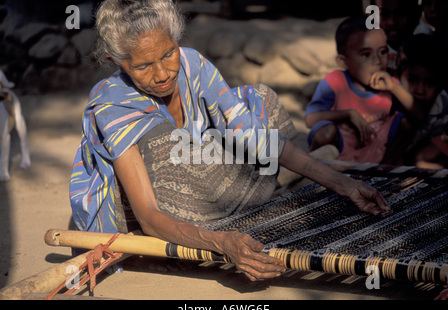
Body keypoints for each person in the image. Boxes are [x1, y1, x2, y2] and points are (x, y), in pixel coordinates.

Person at [69, 0, 391, 282]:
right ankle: (275, 180)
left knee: (261, 101)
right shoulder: (114, 105)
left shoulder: (192, 63)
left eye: (168, 54)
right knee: (177, 151)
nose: (163, 73)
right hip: (155, 204)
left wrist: (344, 184)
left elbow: (253, 135)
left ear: (176, 39)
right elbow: (150, 215)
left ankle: (275, 179)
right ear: (116, 61)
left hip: (200, 174)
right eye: (142, 66)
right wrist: (222, 243)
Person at [305, 16, 413, 165]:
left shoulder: (388, 82)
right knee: (325, 132)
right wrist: (349, 114)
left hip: (376, 147)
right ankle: (313, 170)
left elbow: (417, 116)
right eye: (366, 54)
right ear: (343, 61)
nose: (377, 61)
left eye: (383, 52)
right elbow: (310, 120)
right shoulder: (336, 81)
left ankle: (385, 170)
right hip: (341, 148)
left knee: (405, 123)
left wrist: (394, 87)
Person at [398, 34, 448, 169]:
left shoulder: (442, 103)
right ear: (399, 74)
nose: (420, 90)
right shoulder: (390, 104)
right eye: (412, 80)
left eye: (430, 82)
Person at [373, 0, 422, 73]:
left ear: (416, 14)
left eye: (400, 14)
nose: (392, 22)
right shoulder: (364, 49)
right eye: (384, 14)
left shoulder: (425, 49)